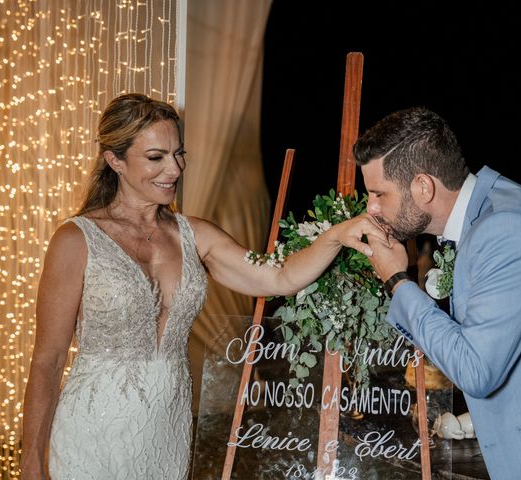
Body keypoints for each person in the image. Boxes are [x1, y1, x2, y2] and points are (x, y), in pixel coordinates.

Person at [20, 93, 387, 479]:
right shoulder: (76, 240)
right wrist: (31, 462)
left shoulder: (195, 235)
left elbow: (278, 276)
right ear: (115, 161)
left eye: (179, 154)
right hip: (90, 434)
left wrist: (336, 235)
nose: (175, 169)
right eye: (156, 157)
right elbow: (48, 361)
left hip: (167, 434)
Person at [353, 107, 521, 480]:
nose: (372, 209)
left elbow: (476, 369)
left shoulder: (507, 227)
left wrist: (397, 280)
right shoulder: (488, 220)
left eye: (378, 194)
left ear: (423, 187)